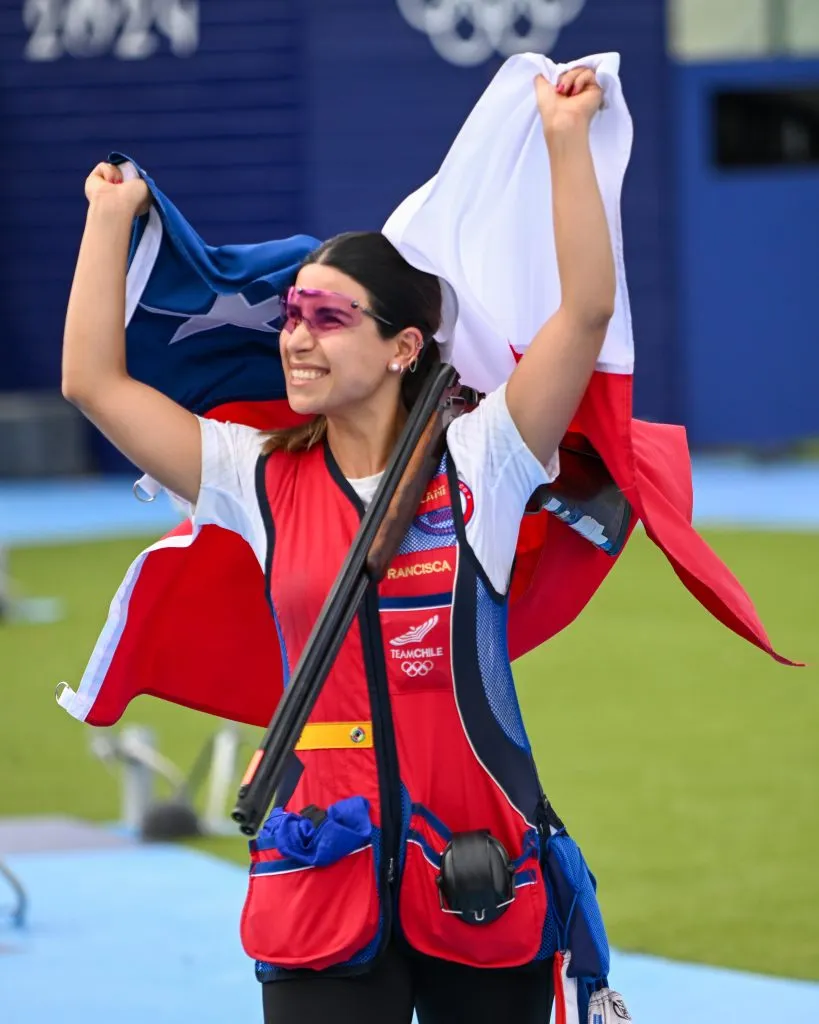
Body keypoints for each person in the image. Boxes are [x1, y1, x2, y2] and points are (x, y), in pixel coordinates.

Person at [61, 65, 611, 1024]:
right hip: (320, 874)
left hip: (475, 873)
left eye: (327, 319)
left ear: (403, 347)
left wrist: (565, 142)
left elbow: (585, 315)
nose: (296, 340)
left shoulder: (486, 456)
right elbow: (93, 384)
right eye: (289, 318)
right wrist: (111, 218)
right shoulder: (253, 474)